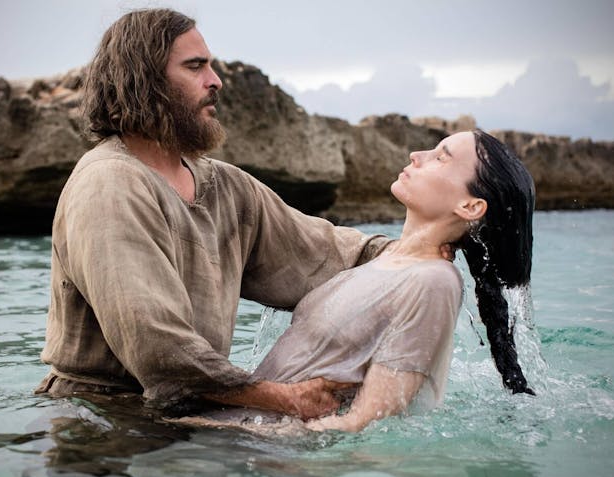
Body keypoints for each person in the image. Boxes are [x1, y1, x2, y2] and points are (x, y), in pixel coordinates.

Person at [34, 8, 391, 419]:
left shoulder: (224, 186)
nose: (215, 80)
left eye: (211, 65)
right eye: (195, 66)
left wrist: (423, 249)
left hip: (194, 412)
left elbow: (324, 254)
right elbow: (158, 346)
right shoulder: (109, 183)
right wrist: (283, 397)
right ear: (145, 81)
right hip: (100, 424)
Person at [173, 129, 535, 433]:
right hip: (222, 436)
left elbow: (365, 423)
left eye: (442, 157)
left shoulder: (434, 281)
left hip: (254, 451)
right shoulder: (382, 263)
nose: (416, 155)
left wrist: (221, 432)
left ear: (470, 207)